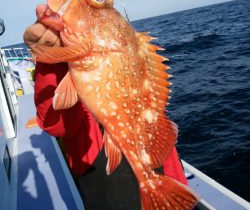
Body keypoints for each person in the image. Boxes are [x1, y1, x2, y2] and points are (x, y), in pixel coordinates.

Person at [24, 23, 188, 210]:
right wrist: (51, 62)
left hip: (167, 181)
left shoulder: (135, 83)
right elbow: (54, 123)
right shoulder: (77, 92)